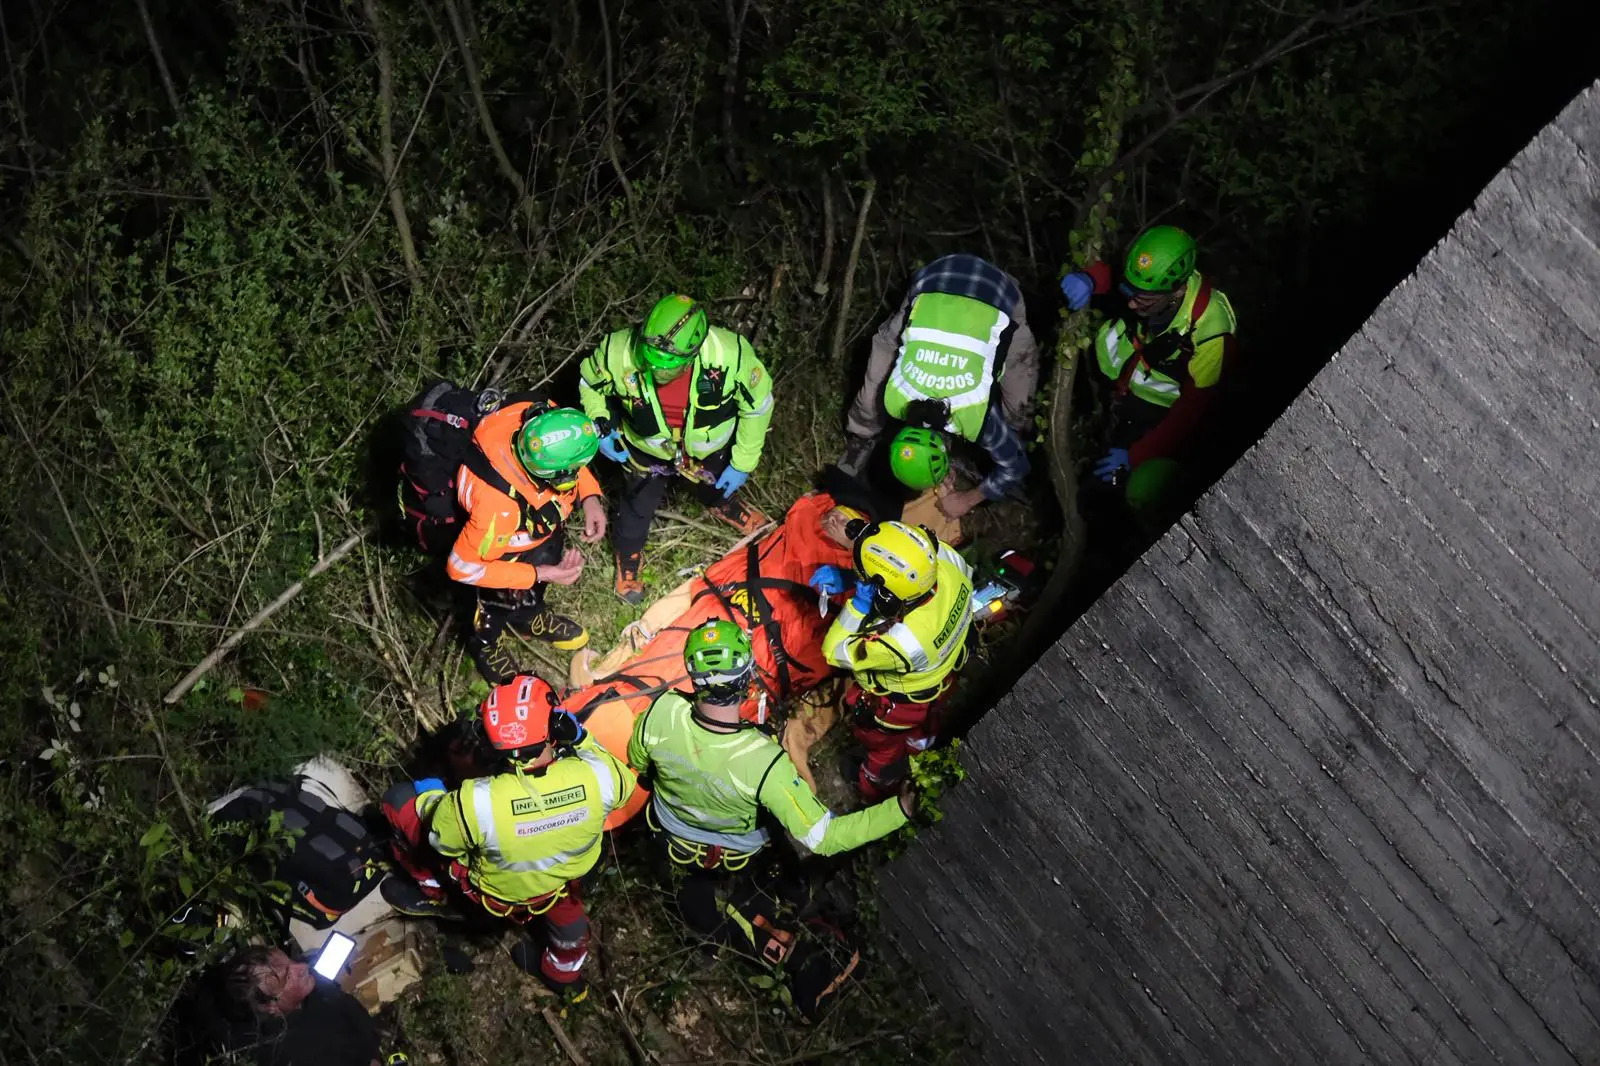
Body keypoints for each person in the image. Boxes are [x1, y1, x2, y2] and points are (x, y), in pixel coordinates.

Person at [627, 619, 915, 1019]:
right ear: (746, 678)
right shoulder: (765, 762)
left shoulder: (661, 713)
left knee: (707, 904)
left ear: (692, 676)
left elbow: (639, 765)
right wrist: (899, 809)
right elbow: (826, 837)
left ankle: (714, 939)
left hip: (672, 840)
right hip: (739, 855)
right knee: (781, 883)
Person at [380, 675, 635, 997]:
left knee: (398, 800)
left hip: (494, 893)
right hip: (558, 885)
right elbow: (623, 786)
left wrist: (434, 798)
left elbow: (439, 841)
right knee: (570, 926)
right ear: (555, 728)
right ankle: (562, 975)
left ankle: (432, 890)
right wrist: (582, 739)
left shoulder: (476, 801)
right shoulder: (600, 777)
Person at [578, 293, 775, 604]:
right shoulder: (617, 351)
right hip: (645, 448)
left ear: (694, 353)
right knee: (635, 507)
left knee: (716, 483)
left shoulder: (730, 356)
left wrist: (743, 462)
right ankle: (628, 558)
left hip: (707, 447)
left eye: (668, 367)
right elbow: (590, 385)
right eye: (650, 361)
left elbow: (758, 405)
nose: (656, 372)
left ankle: (724, 504)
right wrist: (600, 425)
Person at [1058, 224, 1239, 525]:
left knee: (1117, 498)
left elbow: (1191, 413)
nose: (1130, 303)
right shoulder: (1151, 281)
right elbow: (1115, 275)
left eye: (1142, 299)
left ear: (1178, 289)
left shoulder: (1212, 333)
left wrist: (1137, 455)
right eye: (1131, 292)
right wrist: (1090, 279)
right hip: (1120, 384)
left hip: (1156, 415)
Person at [838, 254, 1040, 518]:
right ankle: (860, 440)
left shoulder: (977, 415)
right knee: (873, 387)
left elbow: (1016, 467)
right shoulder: (897, 398)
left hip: (997, 292)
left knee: (1019, 410)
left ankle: (1016, 448)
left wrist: (967, 500)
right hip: (935, 279)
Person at [443, 398, 607, 683]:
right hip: (500, 552)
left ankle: (529, 618)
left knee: (533, 583)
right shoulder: (497, 510)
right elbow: (461, 567)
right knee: (492, 604)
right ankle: (486, 644)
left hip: (535, 529)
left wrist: (590, 498)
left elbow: (571, 462)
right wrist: (539, 573)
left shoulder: (538, 419)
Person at [811, 521, 974, 800]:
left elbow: (835, 649)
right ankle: (920, 743)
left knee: (881, 746)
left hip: (899, 705)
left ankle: (872, 788)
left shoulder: (902, 642)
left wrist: (859, 605)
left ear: (885, 598)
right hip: (943, 676)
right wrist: (853, 579)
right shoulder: (944, 562)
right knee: (928, 724)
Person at [196, 945, 383, 1066]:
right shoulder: (311, 1051)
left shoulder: (221, 985)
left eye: (290, 960)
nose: (302, 967)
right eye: (287, 977)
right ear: (272, 1007)